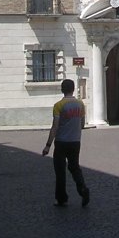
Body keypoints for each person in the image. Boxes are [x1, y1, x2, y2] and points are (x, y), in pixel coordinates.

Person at [41, 78, 90, 207]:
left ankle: (61, 198)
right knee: (74, 167)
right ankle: (83, 188)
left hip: (62, 141)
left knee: (60, 170)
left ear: (62, 89)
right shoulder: (80, 104)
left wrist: (48, 145)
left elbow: (55, 127)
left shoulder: (58, 105)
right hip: (75, 141)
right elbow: (82, 124)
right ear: (73, 89)